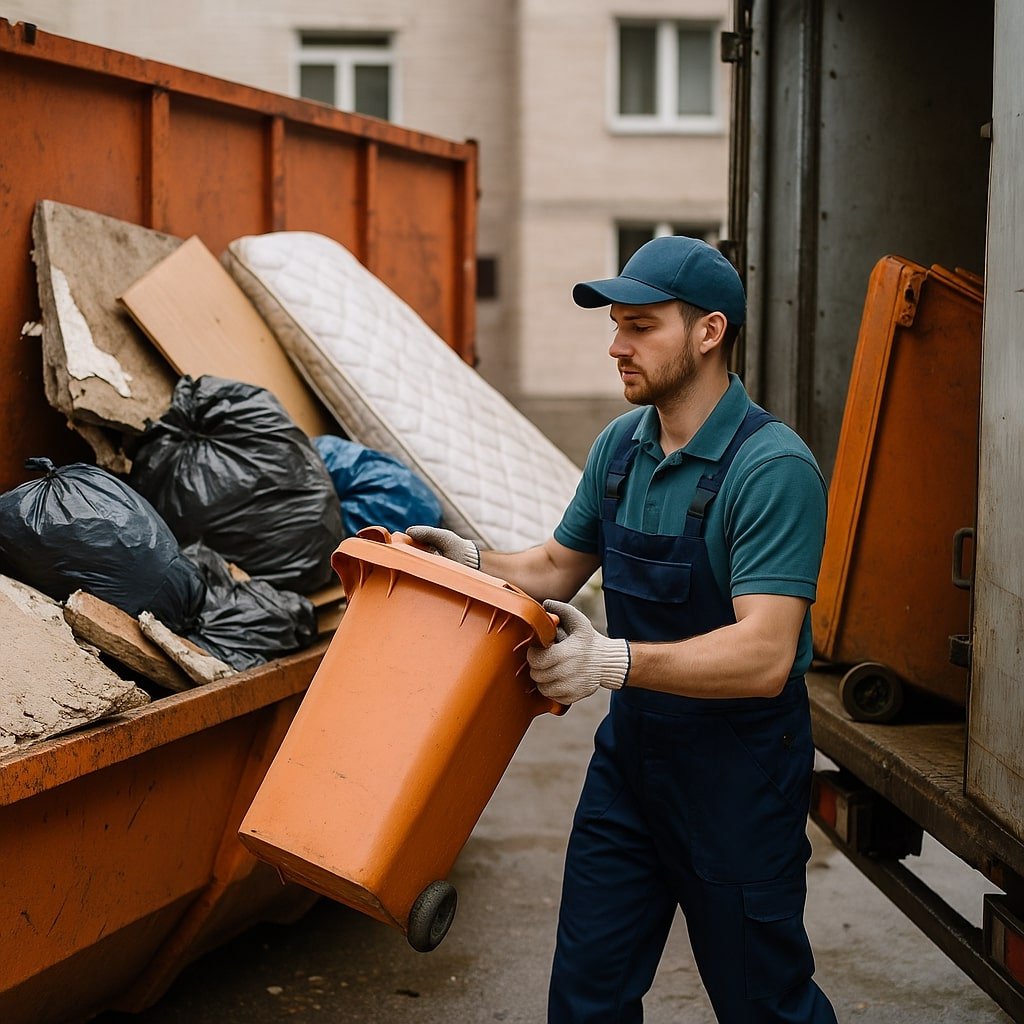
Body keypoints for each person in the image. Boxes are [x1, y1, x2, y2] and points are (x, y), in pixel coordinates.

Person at [408, 235, 837, 1024]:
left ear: (709, 332)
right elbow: (551, 566)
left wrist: (608, 661)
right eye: (617, 326)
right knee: (588, 997)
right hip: (633, 767)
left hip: (738, 776)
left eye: (640, 326)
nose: (616, 346)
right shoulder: (620, 449)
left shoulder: (770, 469)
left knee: (763, 1005)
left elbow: (765, 654)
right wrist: (469, 559)